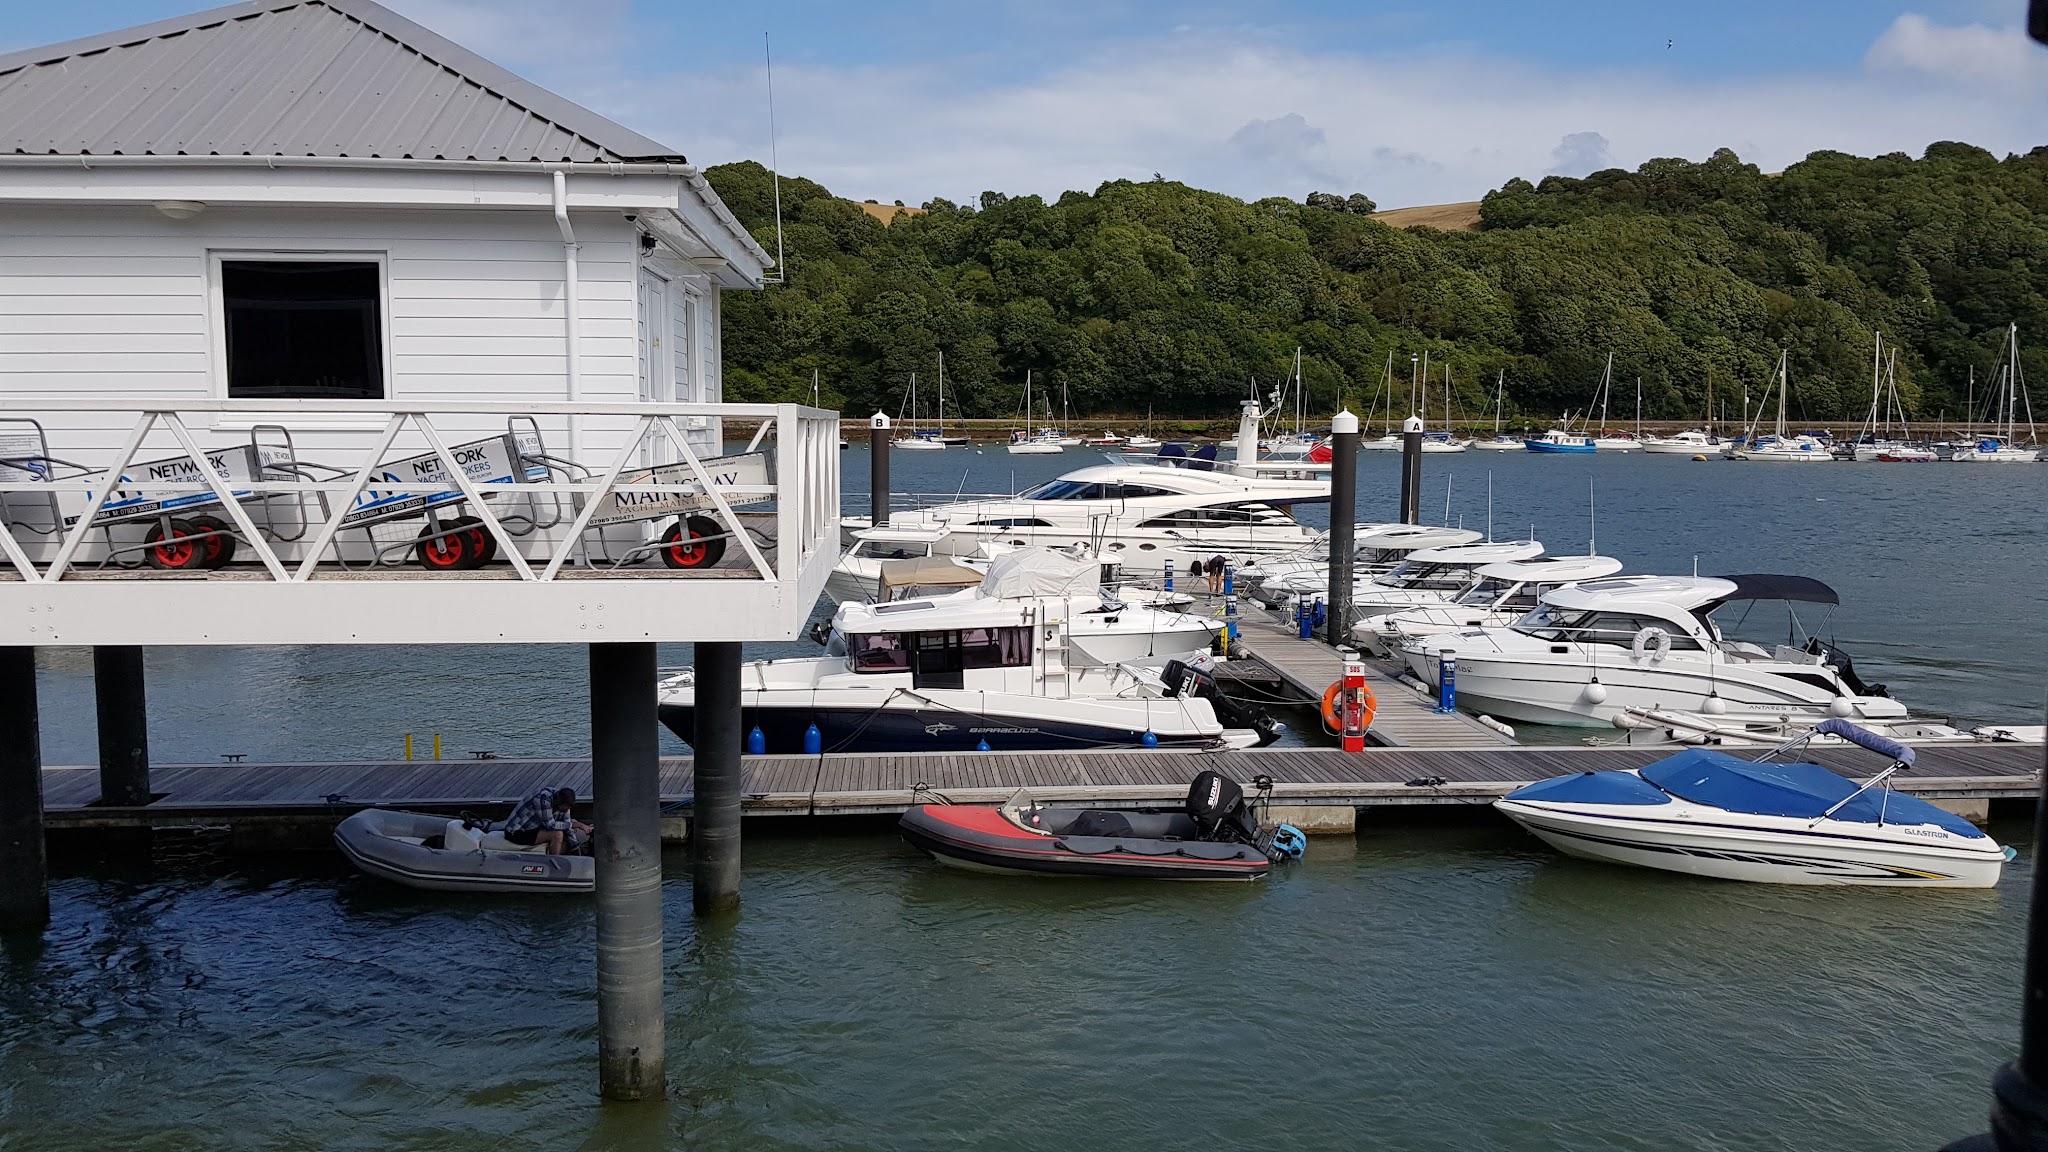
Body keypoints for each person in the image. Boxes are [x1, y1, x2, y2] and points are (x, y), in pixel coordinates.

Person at [501, 786, 590, 855]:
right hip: (517, 831)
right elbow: (551, 825)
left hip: (535, 827)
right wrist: (576, 824)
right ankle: (555, 864)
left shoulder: (564, 804)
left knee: (567, 840)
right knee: (557, 834)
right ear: (559, 802)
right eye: (566, 807)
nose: (567, 809)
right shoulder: (542, 799)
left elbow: (567, 823)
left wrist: (575, 846)